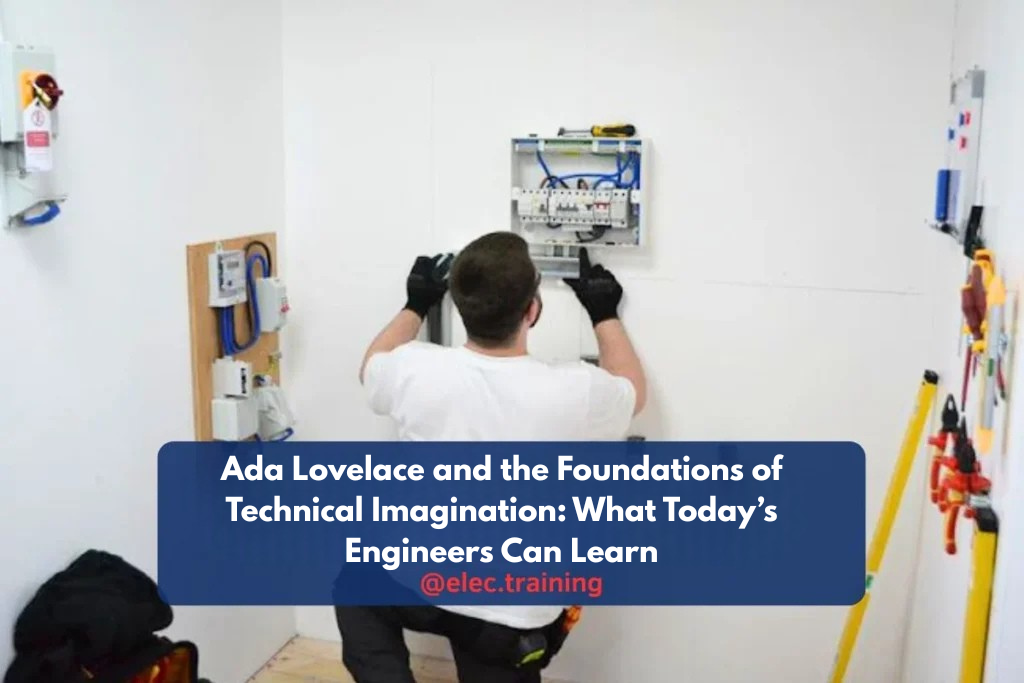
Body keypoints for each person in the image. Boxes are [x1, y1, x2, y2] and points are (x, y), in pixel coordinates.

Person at [335, 232, 647, 683]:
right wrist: (604, 313)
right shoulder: (575, 390)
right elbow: (633, 391)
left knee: (357, 586)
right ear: (532, 310)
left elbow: (371, 364)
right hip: (513, 617)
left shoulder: (414, 368)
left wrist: (415, 304)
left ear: (461, 307)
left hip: (421, 587)